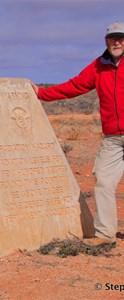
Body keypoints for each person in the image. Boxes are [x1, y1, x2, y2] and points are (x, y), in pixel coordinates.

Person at [31, 22, 124, 248]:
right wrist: (42, 94)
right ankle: (104, 235)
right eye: (113, 38)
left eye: (121, 38)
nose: (117, 42)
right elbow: (75, 86)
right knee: (103, 181)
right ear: (106, 42)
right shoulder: (99, 66)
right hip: (113, 137)